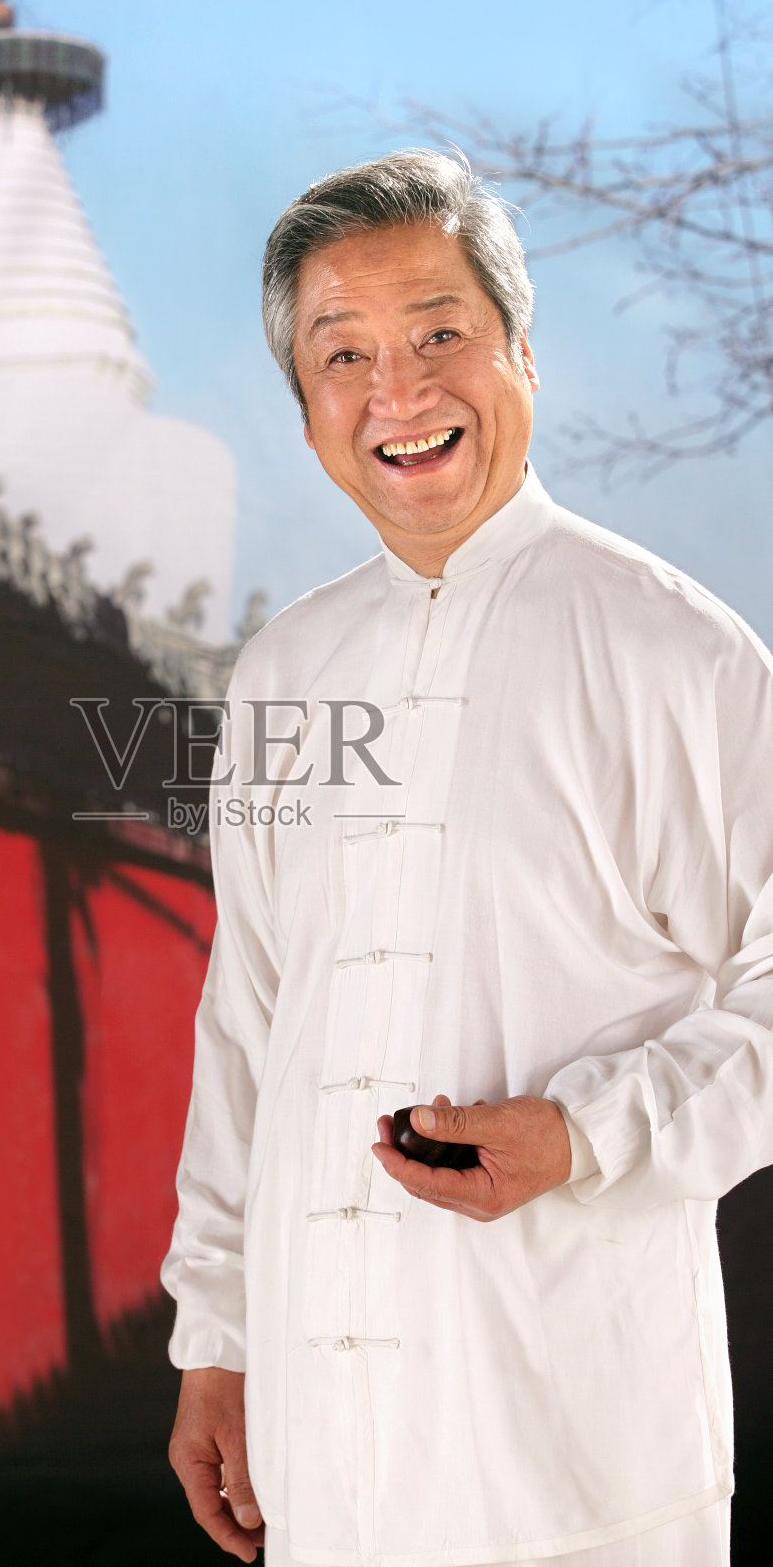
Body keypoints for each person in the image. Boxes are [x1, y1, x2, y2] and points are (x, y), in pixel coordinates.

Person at [161, 149, 773, 1567]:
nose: (401, 391)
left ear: (522, 355)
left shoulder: (674, 650)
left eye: (441, 333)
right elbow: (250, 1022)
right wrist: (218, 1335)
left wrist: (591, 1132)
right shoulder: (284, 672)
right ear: (306, 407)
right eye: (345, 353)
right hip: (329, 1463)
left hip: (581, 1464)